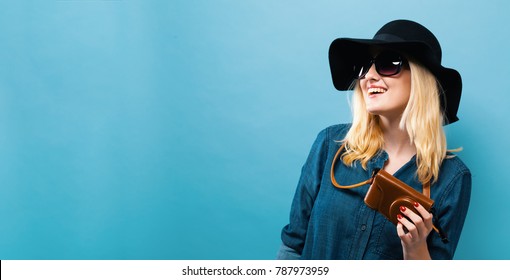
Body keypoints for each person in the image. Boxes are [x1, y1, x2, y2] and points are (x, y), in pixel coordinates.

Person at [276, 19, 471, 260]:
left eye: (388, 64)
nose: (368, 76)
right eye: (364, 66)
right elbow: (293, 246)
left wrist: (416, 250)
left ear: (421, 79)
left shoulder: (452, 178)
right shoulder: (330, 145)